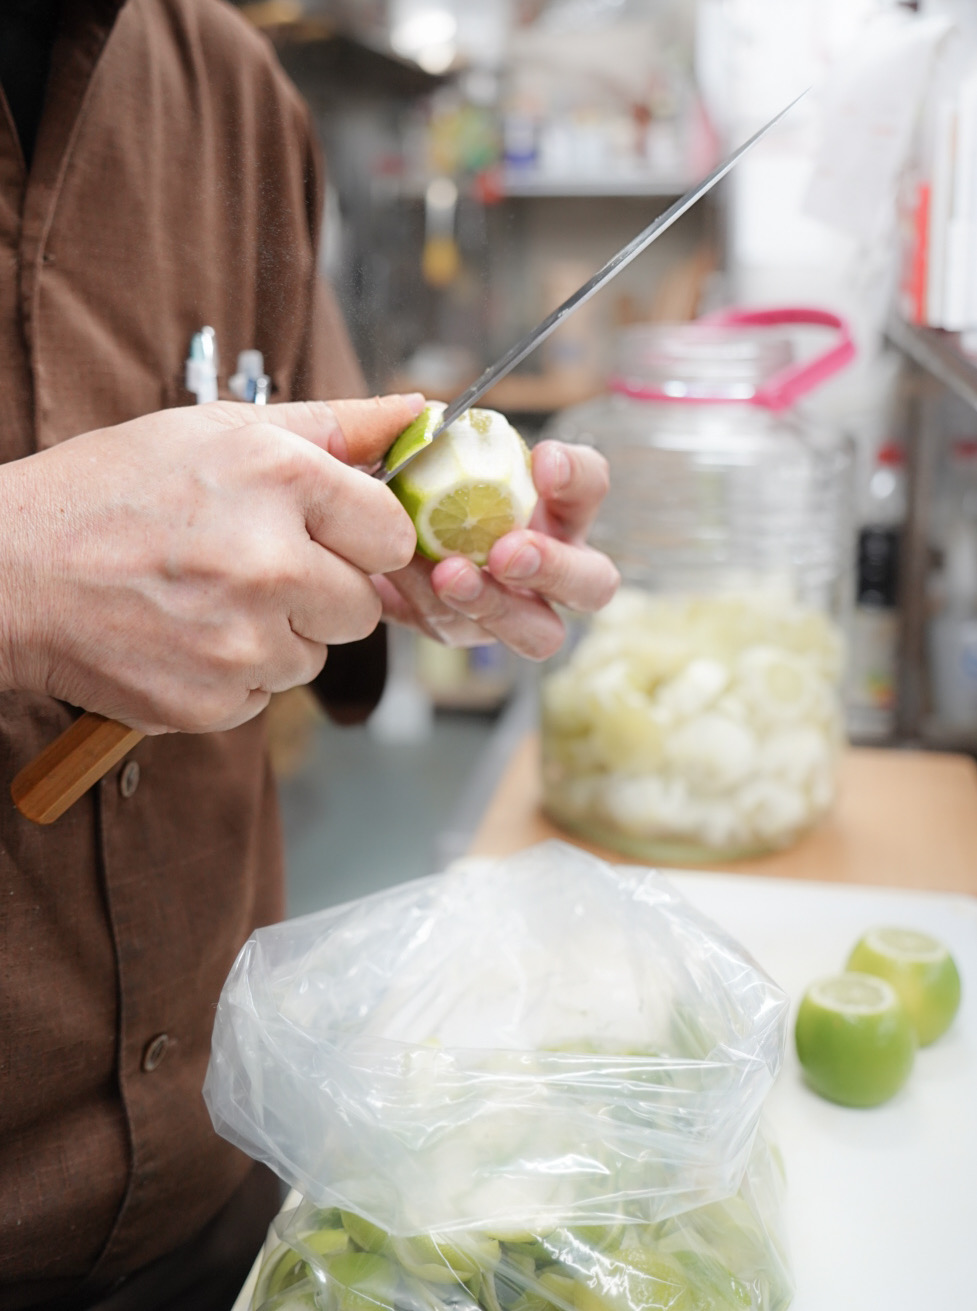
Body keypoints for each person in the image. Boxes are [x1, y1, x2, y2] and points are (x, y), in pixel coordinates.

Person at [0, 3, 618, 1310]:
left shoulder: (227, 85)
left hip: (226, 1192)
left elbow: (324, 478)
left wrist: (405, 570)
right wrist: (20, 568)